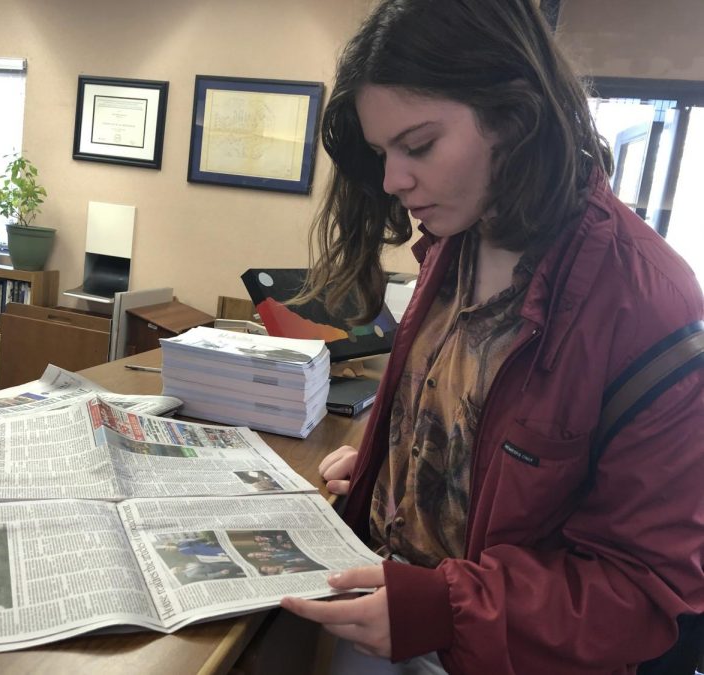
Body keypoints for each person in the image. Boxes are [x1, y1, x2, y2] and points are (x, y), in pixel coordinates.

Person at [278, 1, 704, 673]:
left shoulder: (648, 301)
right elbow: (476, 419)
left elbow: (644, 592)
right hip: (384, 611)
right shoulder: (454, 237)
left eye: (418, 145)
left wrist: (442, 609)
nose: (394, 180)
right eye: (383, 152)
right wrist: (396, 462)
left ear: (514, 115)